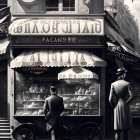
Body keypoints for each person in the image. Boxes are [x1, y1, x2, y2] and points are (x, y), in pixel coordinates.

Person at [109, 67, 134, 140]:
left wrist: (114, 106)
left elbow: (110, 99)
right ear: (123, 74)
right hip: (124, 105)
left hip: (116, 106)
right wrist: (126, 102)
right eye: (125, 73)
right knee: (125, 129)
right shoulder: (127, 83)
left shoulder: (113, 84)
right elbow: (132, 96)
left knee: (117, 130)